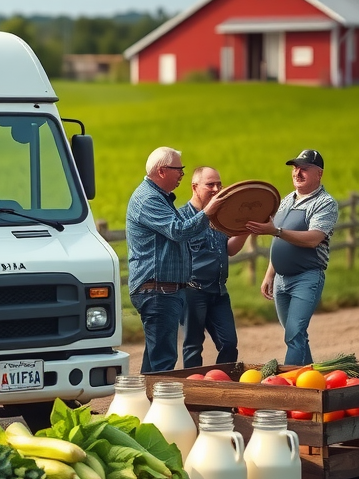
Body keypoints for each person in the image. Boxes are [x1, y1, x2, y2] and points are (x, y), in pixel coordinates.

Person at [125, 147, 229, 373]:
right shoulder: (148, 199)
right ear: (162, 171)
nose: (182, 174)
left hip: (161, 290)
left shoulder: (157, 197)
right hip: (158, 291)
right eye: (178, 169)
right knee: (163, 361)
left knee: (155, 359)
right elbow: (178, 230)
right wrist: (208, 211)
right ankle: (162, 407)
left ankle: (144, 404)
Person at [246, 149, 338, 366]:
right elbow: (278, 239)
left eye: (304, 169)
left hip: (306, 277)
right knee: (295, 335)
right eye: (295, 168)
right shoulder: (287, 199)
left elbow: (314, 238)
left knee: (294, 334)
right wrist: (270, 273)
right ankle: (310, 382)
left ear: (319, 174)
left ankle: (289, 387)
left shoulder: (325, 203)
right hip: (281, 279)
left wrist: (276, 231)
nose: (297, 172)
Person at [180, 167, 246, 368]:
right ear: (195, 187)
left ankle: (221, 388)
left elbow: (230, 250)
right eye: (210, 184)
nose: (217, 189)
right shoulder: (182, 218)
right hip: (192, 292)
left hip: (218, 292)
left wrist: (246, 230)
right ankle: (193, 392)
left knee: (229, 343)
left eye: (219, 184)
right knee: (193, 346)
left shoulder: (222, 217)